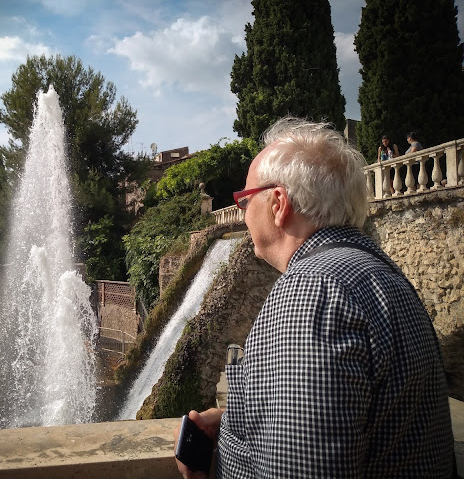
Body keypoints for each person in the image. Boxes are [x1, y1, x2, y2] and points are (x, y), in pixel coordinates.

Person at [174, 117, 453, 478]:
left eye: (244, 200)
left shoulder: (311, 294)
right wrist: (237, 423)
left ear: (278, 204)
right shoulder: (384, 274)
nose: (242, 213)